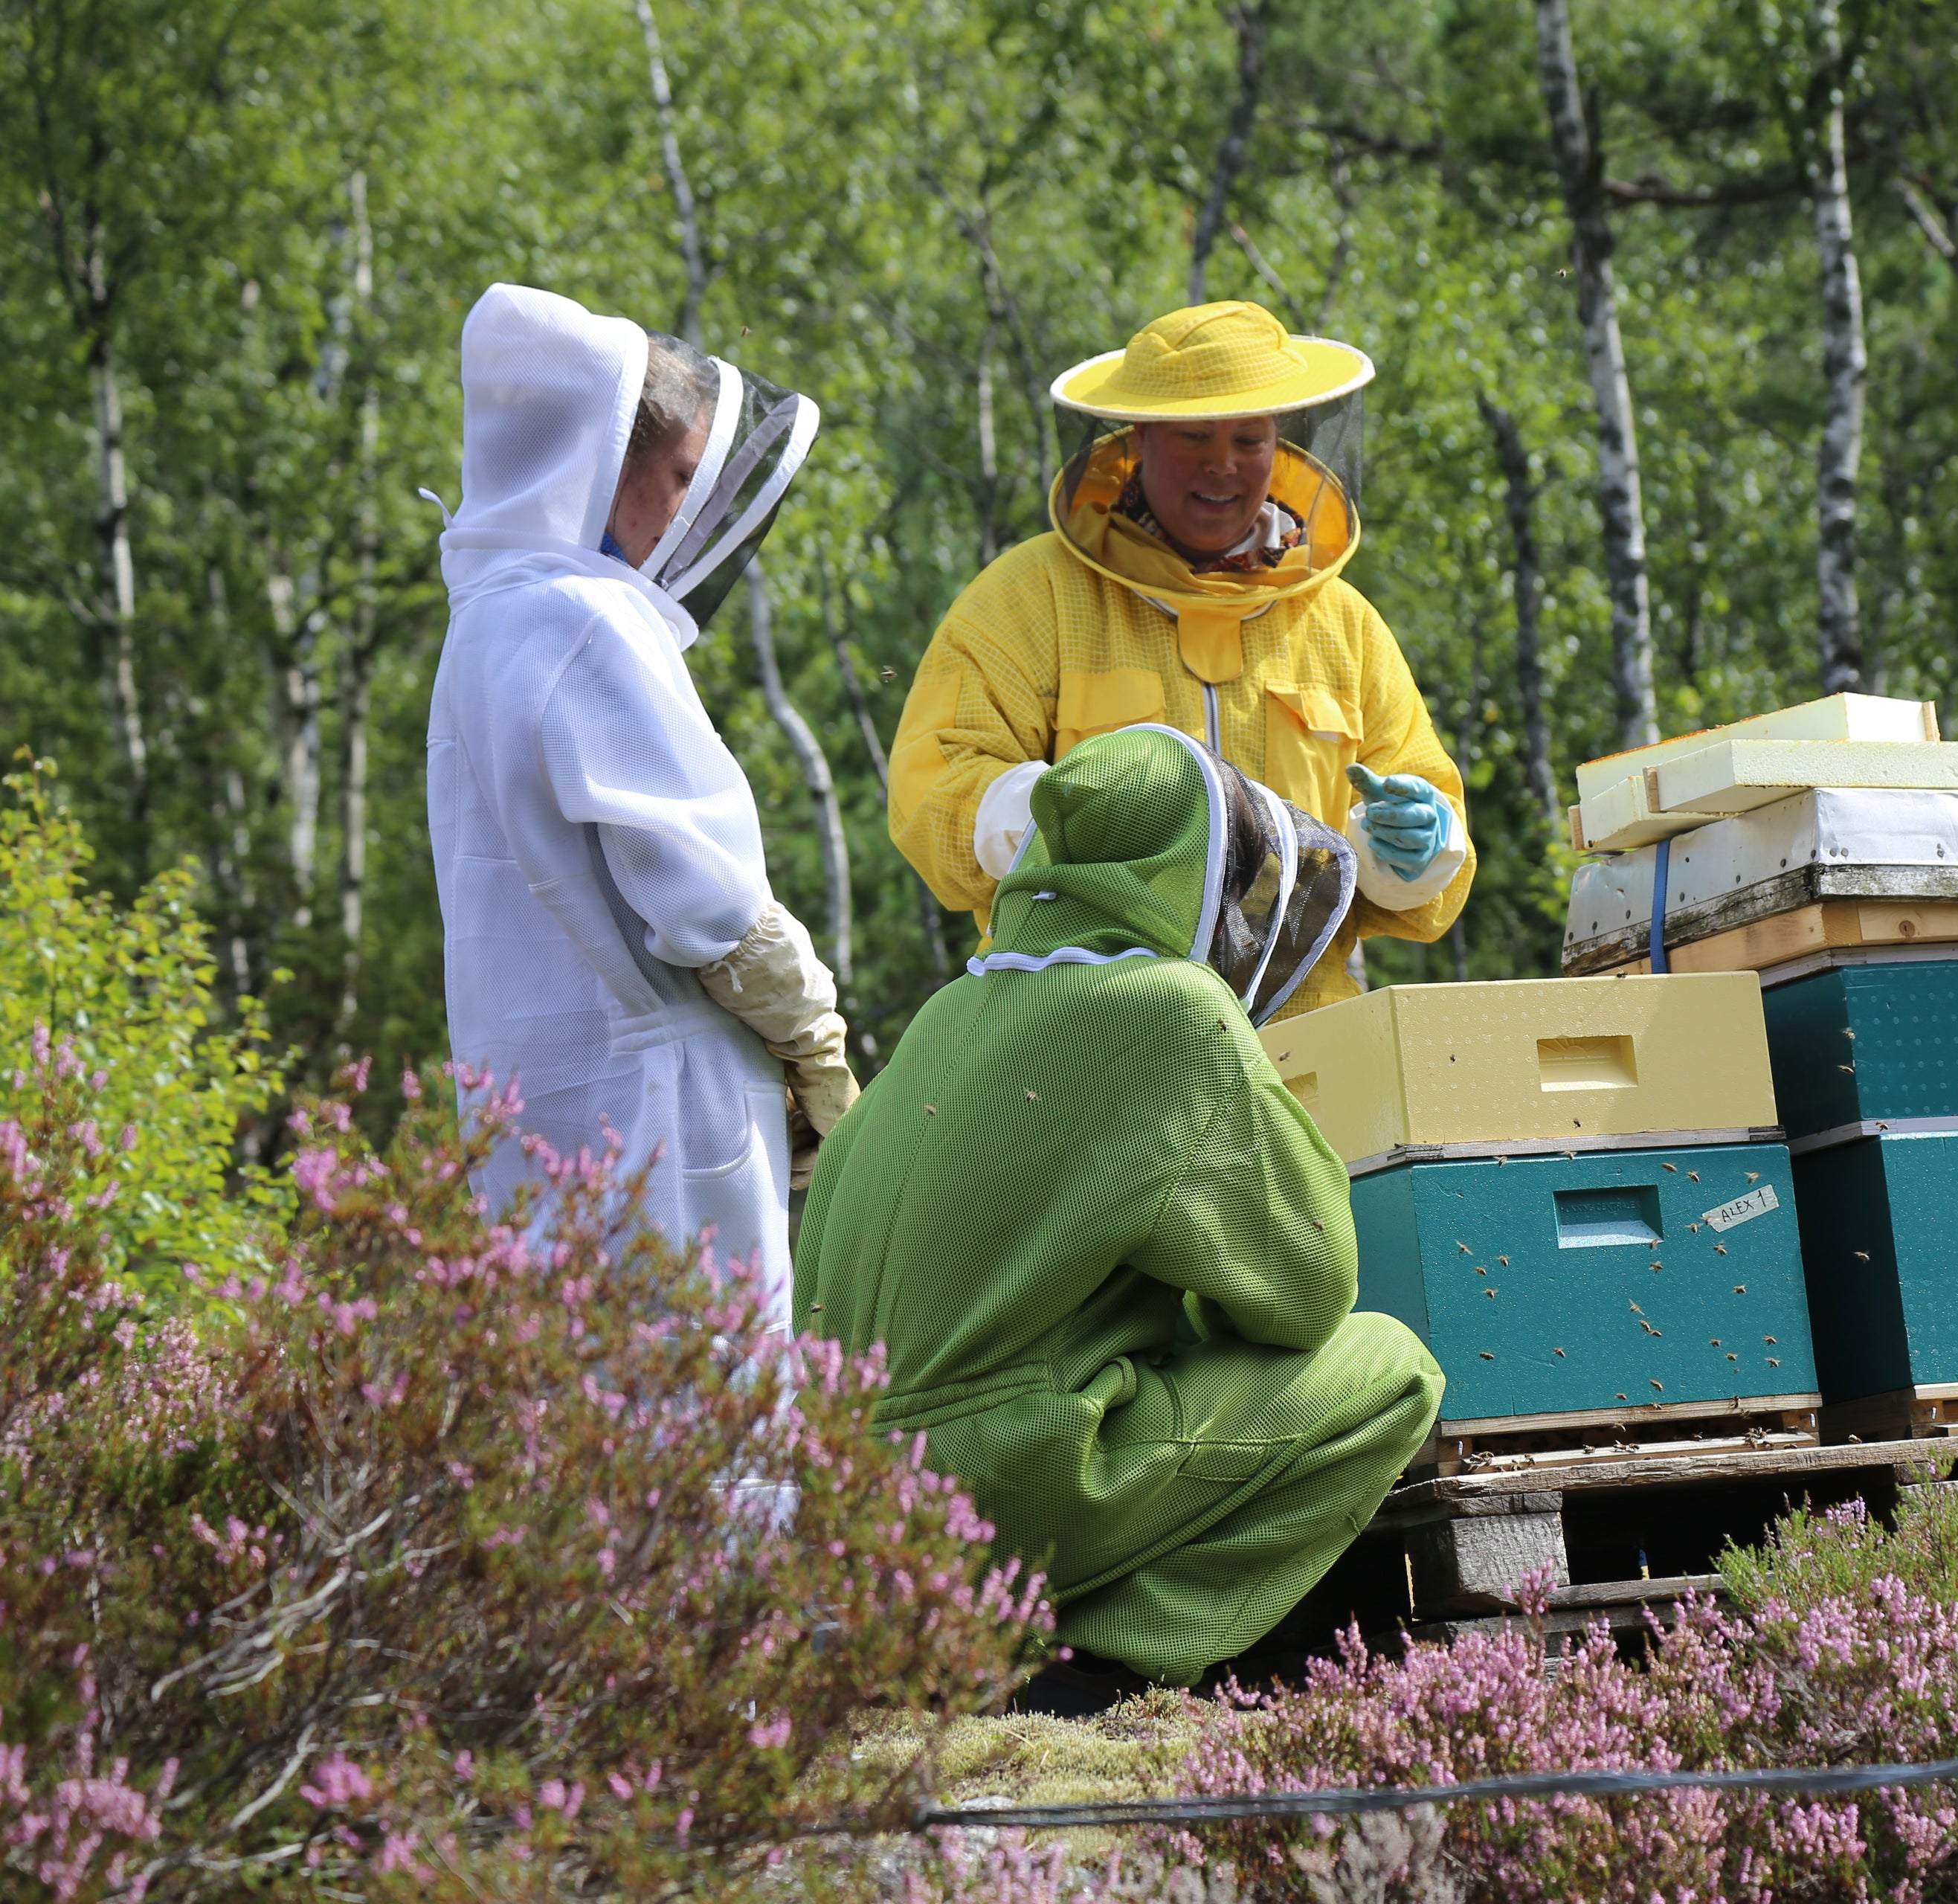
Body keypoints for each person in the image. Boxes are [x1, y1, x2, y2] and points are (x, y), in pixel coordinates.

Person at [796, 724, 1443, 1708]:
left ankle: (1002, 1649)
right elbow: (1309, 1292)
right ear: (1187, 874)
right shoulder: (1169, 1010)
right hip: (1008, 1486)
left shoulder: (944, 1017)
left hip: (847, 1513)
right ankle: (1092, 1666)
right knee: (1388, 1370)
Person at [427, 282, 858, 1335]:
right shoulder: (586, 619)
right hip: (665, 1111)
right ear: (602, 468)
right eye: (677, 476)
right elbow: (709, 903)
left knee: (575, 1415)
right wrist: (816, 1043)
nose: (686, 510)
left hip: (540, 1115)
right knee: (702, 1409)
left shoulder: (484, 624)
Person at [887, 300, 1472, 1020]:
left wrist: (1413, 847)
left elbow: (1420, 834)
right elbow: (935, 789)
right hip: (1083, 1019)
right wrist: (1071, 815)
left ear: (1279, 443)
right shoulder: (1030, 596)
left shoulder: (1343, 622)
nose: (1222, 464)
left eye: (1249, 439)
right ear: (1139, 439)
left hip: (1306, 1032)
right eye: (1194, 435)